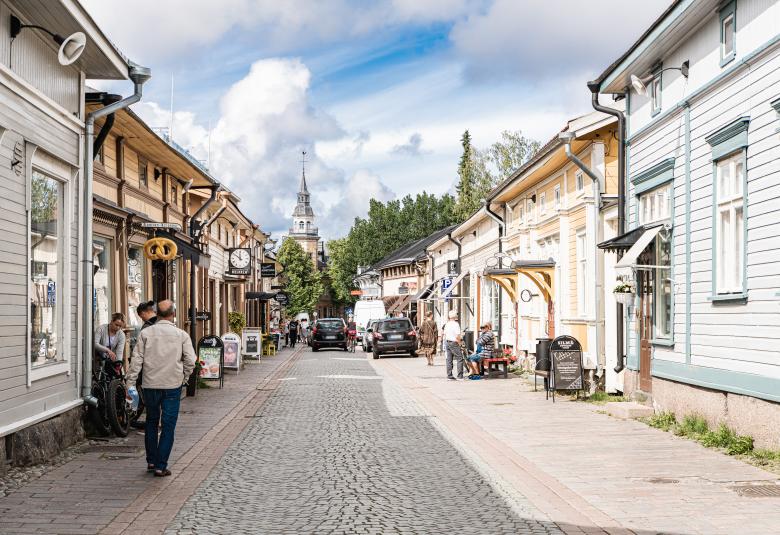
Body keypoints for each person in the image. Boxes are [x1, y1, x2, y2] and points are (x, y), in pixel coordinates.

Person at [127, 300, 196, 477]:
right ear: (173, 314)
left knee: (151, 421)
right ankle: (161, 465)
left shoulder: (146, 333)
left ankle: (151, 460)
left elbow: (136, 361)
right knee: (168, 425)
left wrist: (130, 383)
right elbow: (190, 360)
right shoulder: (181, 335)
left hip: (150, 384)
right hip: (172, 384)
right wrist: (185, 378)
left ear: (157, 314)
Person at [443, 310, 464, 380]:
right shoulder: (456, 324)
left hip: (447, 342)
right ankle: (460, 376)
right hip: (454, 342)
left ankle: (449, 375)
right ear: (455, 316)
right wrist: (460, 343)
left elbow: (444, 334)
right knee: (460, 358)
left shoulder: (447, 324)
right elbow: (457, 336)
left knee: (449, 359)